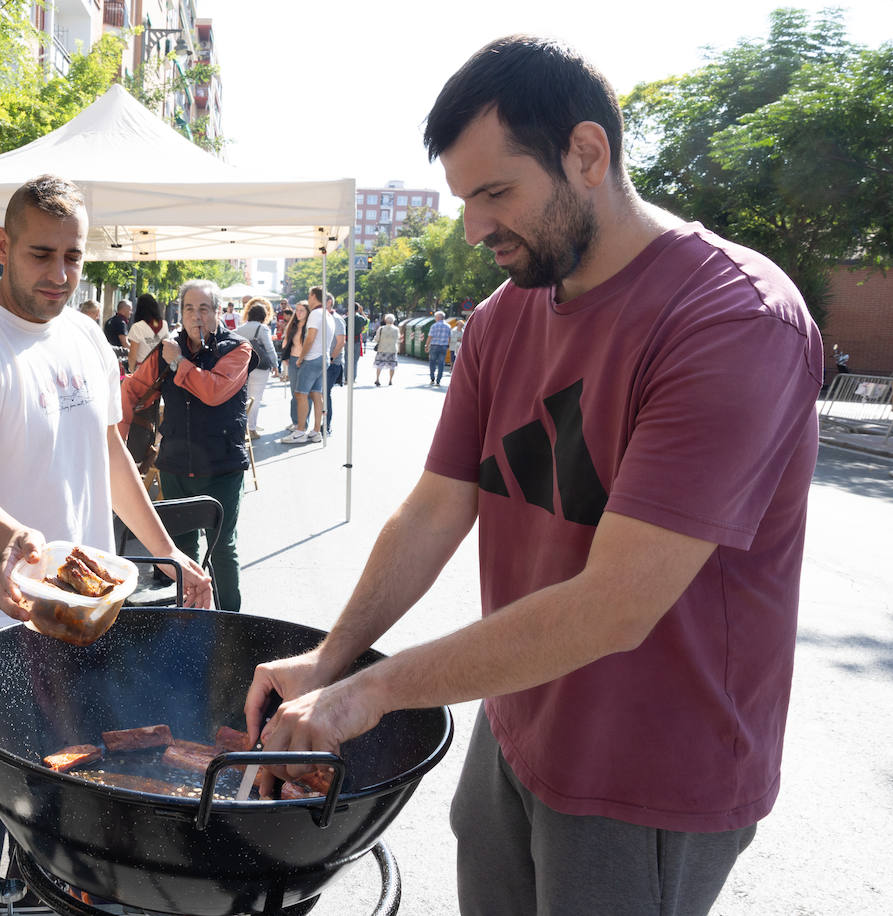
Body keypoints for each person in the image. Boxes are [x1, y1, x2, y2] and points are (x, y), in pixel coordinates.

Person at [246, 35, 821, 916]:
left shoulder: (732, 319)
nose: (474, 228)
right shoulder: (500, 318)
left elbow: (616, 605)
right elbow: (436, 509)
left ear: (588, 154)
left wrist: (369, 693)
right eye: (464, 199)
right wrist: (333, 656)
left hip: (651, 771)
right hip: (516, 717)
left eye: (496, 193)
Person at [0, 175, 212, 907]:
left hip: (82, 606)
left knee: (77, 757)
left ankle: (51, 892)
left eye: (73, 257)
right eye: (42, 254)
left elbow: (110, 455)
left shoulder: (83, 334)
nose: (60, 275)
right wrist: (14, 540)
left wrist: (166, 550)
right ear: (1, 247)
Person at [119, 279, 252, 611]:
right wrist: (116, 443)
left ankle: (230, 622)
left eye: (204, 309)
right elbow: (131, 390)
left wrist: (179, 363)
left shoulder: (237, 348)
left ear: (218, 312)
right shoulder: (168, 348)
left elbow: (213, 391)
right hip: (175, 465)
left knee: (222, 549)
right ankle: (187, 620)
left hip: (222, 469)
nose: (196, 317)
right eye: (189, 309)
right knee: (180, 550)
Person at [282, 286, 327, 444]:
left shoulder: (315, 313)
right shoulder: (326, 313)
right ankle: (315, 431)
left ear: (314, 296)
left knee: (301, 394)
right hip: (321, 358)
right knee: (315, 394)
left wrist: (301, 358)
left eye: (309, 295)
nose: (308, 297)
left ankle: (300, 430)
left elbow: (310, 338)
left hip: (311, 359)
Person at [237, 298, 279, 439]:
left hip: (242, 366)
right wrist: (275, 365)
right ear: (263, 316)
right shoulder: (262, 328)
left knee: (244, 397)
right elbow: (269, 348)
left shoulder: (239, 329)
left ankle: (243, 426)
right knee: (255, 398)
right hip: (260, 367)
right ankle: (252, 429)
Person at [126, 293, 172, 373]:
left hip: (142, 371)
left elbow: (133, 354)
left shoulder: (137, 327)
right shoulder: (164, 324)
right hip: (160, 370)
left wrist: (132, 370)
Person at [323, 294, 346, 435]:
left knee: (325, 394)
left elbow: (341, 342)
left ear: (329, 302)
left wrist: (331, 358)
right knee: (319, 394)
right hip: (322, 361)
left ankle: (326, 425)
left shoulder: (337, 319)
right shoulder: (322, 317)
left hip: (332, 364)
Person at [373, 313, 401, 386]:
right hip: (392, 349)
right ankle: (390, 380)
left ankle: (377, 379)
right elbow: (398, 339)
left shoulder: (381, 328)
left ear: (385, 320)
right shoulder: (396, 329)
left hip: (382, 349)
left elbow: (376, 339)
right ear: (393, 321)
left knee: (379, 365)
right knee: (392, 366)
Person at [426, 310, 451, 385]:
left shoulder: (434, 326)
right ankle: (438, 380)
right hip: (443, 346)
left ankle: (432, 378)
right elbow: (450, 337)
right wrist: (448, 345)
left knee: (432, 362)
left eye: (435, 317)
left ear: (438, 318)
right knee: (441, 363)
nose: (435, 318)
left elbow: (430, 337)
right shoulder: (448, 326)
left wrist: (426, 346)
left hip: (434, 346)